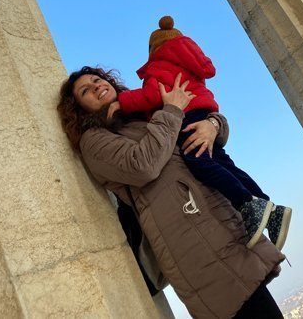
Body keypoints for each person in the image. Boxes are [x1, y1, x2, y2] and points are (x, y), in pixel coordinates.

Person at [57, 67, 285, 319]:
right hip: (195, 243)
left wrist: (213, 124)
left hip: (223, 224)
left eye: (97, 80)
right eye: (85, 90)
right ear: (79, 109)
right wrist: (172, 110)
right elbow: (143, 165)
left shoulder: (143, 112)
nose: (96, 86)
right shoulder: (94, 141)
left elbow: (201, 129)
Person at [116, 15, 292, 250]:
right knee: (224, 164)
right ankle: (270, 210)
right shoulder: (186, 61)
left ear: (153, 49)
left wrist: (121, 101)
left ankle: (246, 204)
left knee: (198, 161)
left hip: (187, 120)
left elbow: (151, 96)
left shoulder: (157, 66)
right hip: (203, 114)